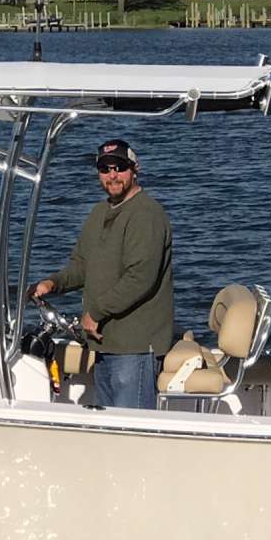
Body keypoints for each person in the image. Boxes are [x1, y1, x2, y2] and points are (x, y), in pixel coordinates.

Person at [32, 138, 174, 410]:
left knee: (131, 429)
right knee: (110, 426)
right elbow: (82, 265)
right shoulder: (99, 212)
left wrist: (95, 313)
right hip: (103, 344)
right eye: (105, 169)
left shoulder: (147, 214)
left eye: (120, 168)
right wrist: (53, 283)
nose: (112, 175)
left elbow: (140, 278)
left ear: (135, 169)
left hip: (134, 347)